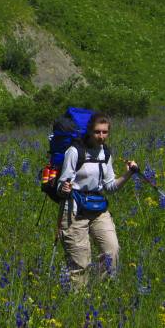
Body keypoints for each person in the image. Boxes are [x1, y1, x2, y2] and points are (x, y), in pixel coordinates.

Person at [57, 112, 137, 288]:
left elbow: (110, 187)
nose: (101, 136)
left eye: (105, 132)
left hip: (98, 208)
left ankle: (104, 293)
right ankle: (78, 301)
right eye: (97, 132)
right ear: (89, 131)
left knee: (112, 251)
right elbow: (61, 184)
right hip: (75, 210)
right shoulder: (74, 151)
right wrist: (64, 188)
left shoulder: (105, 153)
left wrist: (129, 173)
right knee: (81, 263)